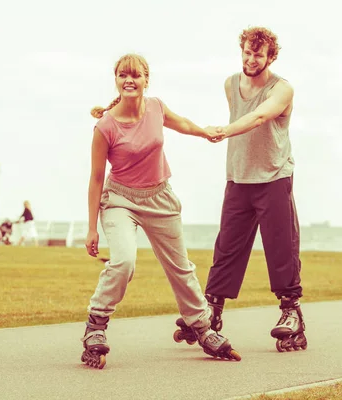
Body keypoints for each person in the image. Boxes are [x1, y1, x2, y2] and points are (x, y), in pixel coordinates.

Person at [81, 53, 241, 369]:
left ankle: (203, 328)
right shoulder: (105, 126)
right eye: (123, 75)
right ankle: (95, 326)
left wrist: (205, 131)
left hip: (160, 197)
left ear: (146, 79)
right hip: (120, 201)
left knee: (181, 268)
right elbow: (97, 177)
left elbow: (179, 122)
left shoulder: (155, 106)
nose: (130, 80)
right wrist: (91, 228)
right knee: (124, 261)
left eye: (136, 75)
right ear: (116, 80)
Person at [178, 27, 306, 353]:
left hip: (274, 177)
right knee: (227, 247)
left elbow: (261, 116)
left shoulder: (283, 89)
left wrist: (224, 131)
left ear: (271, 57)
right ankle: (212, 310)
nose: (251, 59)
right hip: (238, 177)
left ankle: (292, 313)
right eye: (247, 52)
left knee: (281, 246)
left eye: (258, 54)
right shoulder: (230, 83)